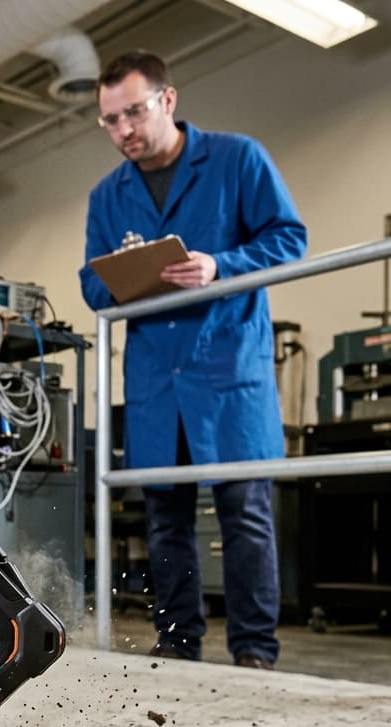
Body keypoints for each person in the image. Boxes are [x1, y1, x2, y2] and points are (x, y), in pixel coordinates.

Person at [79, 51, 307, 670]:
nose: (123, 130)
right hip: (157, 381)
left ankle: (255, 652)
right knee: (166, 521)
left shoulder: (237, 159)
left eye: (133, 112)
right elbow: (92, 284)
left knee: (244, 515)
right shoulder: (108, 195)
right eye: (109, 120)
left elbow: (289, 238)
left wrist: (219, 266)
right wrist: (129, 276)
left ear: (168, 100)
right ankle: (177, 645)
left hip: (227, 370)